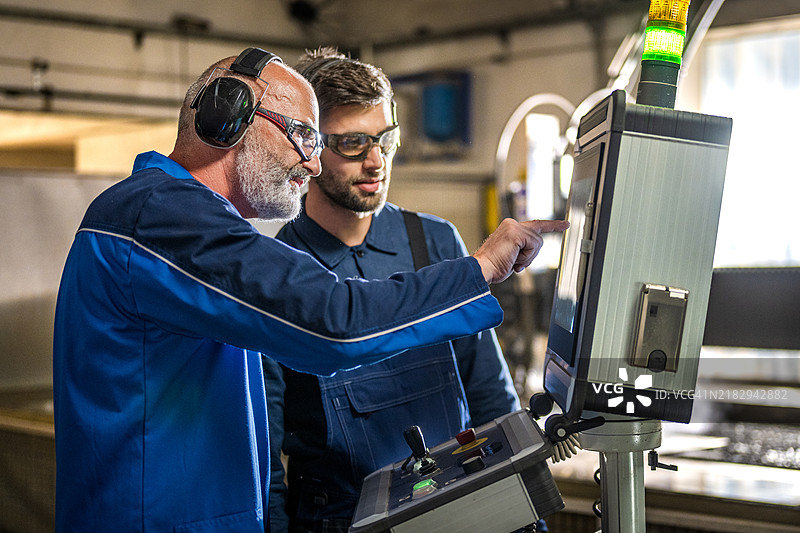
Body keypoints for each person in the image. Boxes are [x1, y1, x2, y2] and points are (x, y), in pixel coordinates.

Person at [52, 47, 567, 532]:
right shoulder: (159, 216)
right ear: (229, 119)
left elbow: (485, 392)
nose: (313, 163)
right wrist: (479, 268)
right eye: (304, 134)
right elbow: (333, 325)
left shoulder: (191, 225)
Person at [263, 48, 537, 533]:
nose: (376, 162)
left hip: (457, 509)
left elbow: (490, 393)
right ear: (308, 146)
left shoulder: (435, 241)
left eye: (385, 139)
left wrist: (522, 504)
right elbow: (264, 454)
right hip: (340, 521)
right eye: (351, 144)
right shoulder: (278, 271)